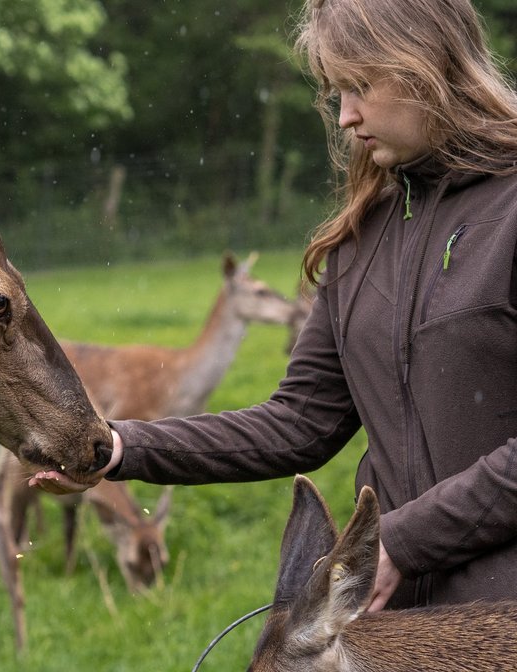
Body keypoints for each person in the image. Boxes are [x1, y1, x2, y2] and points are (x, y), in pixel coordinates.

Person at [31, 0, 517, 612]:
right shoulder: (360, 241)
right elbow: (299, 423)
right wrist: (120, 447)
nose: (345, 116)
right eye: (337, 92)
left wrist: (406, 540)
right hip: (394, 621)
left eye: (361, 86)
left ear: (425, 67)